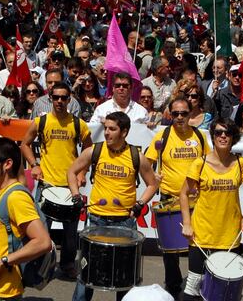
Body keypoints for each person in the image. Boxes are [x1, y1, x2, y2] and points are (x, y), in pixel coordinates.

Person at [68, 111, 158, 301]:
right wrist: (76, 195)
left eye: (112, 129)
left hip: (125, 224)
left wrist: (140, 204)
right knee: (87, 274)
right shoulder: (95, 151)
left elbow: (152, 184)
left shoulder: (136, 155)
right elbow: (72, 171)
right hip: (96, 220)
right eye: (106, 128)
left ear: (124, 132)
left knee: (124, 277)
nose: (107, 132)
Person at [21, 82, 92, 279]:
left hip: (70, 186)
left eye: (63, 97)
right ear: (50, 98)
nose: (59, 101)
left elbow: (88, 151)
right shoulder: (41, 122)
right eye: (56, 97)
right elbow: (24, 144)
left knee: (70, 234)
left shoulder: (78, 124)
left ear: (69, 99)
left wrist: (82, 172)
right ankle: (40, 265)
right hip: (46, 185)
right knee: (40, 230)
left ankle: (68, 264)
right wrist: (34, 164)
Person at [180, 118, 243, 300]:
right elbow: (183, 194)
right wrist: (187, 224)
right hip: (201, 236)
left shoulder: (240, 164)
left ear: (233, 137)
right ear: (212, 137)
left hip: (230, 237)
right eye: (218, 132)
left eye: (227, 133)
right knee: (193, 289)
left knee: (225, 292)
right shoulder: (200, 163)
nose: (223, 136)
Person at [145, 97, 210, 299]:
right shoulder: (162, 136)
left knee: (198, 244)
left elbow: (210, 162)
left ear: (191, 114)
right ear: (169, 115)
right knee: (170, 249)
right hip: (169, 198)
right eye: (175, 114)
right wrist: (152, 176)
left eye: (184, 113)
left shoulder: (199, 136)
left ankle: (196, 284)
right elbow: (145, 163)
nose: (180, 117)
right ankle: (173, 286)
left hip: (196, 199)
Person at [0, 137, 52, 300]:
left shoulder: (15, 197)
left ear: (7, 164)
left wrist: (2, 262)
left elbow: (43, 242)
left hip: (0, 293)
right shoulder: (0, 194)